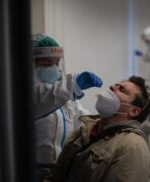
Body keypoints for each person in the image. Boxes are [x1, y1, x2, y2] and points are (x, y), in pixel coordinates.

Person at [49, 76, 150, 182]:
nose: (113, 87)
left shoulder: (133, 148)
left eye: (122, 89)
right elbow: (56, 174)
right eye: (116, 85)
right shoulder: (85, 129)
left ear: (134, 111)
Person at [33, 34, 103, 181]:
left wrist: (105, 123)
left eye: (56, 62)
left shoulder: (65, 98)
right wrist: (74, 84)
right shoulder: (20, 95)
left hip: (59, 170)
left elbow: (82, 121)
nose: (53, 68)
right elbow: (44, 98)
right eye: (46, 63)